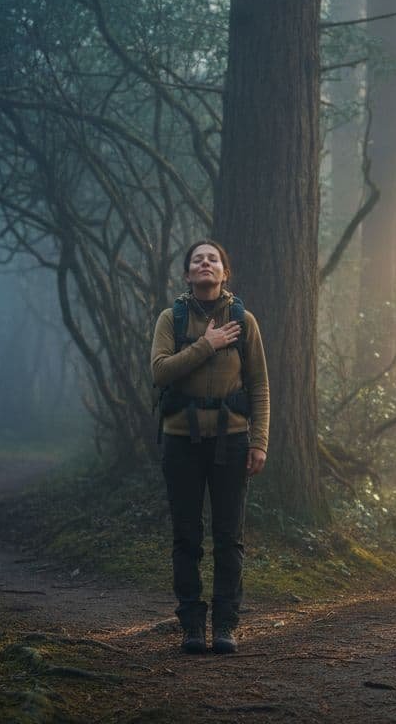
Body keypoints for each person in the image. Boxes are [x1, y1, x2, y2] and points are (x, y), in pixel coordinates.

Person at [150, 239, 269, 654]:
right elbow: (161, 371)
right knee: (185, 536)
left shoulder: (244, 320)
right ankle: (191, 627)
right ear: (187, 274)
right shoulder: (172, 317)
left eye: (213, 259)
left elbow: (259, 386)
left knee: (228, 536)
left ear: (224, 272)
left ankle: (225, 625)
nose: (205, 263)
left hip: (232, 442)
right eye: (197, 260)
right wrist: (207, 344)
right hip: (180, 442)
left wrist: (260, 443)